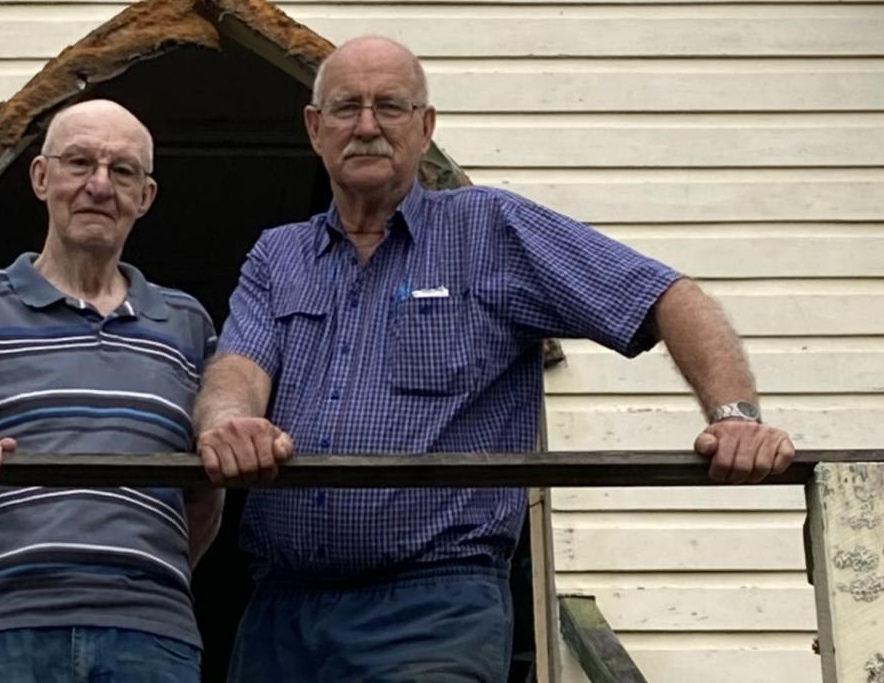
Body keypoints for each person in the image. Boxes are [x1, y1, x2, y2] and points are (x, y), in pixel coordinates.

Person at [193, 36, 796, 682]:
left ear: (426, 129)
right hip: (281, 613)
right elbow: (239, 364)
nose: (366, 126)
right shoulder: (279, 255)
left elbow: (667, 296)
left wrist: (734, 417)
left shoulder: (492, 229)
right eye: (346, 108)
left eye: (390, 107)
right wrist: (229, 421)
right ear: (316, 129)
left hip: (431, 609)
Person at [0, 99, 221, 683]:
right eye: (79, 163)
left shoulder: (187, 323)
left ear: (145, 197)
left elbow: (206, 495)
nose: (99, 184)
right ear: (41, 178)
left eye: (122, 171)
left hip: (151, 635)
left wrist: (146, 574)